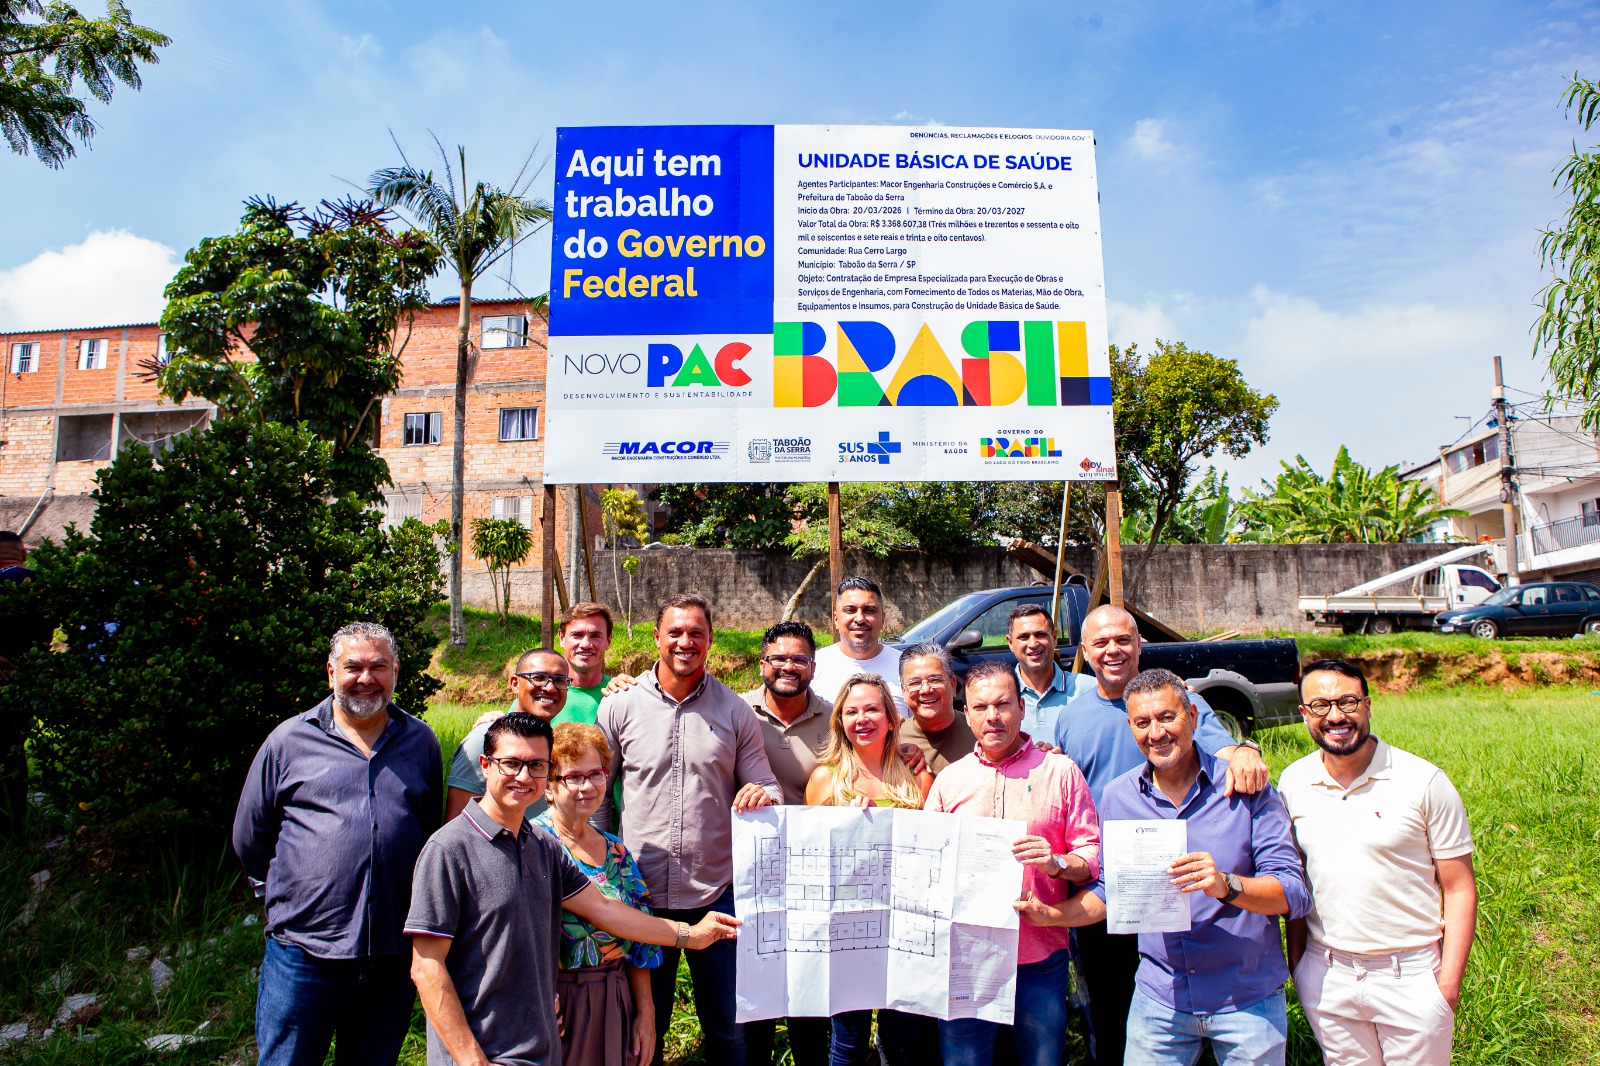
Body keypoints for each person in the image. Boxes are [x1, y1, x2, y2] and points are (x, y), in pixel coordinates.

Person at [407, 712, 740, 1066]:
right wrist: (473, 1062)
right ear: (485, 765)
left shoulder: (540, 846)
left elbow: (606, 910)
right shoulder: (449, 849)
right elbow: (426, 968)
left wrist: (691, 934)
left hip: (540, 1043)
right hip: (482, 1048)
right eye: (511, 764)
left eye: (536, 765)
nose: (524, 776)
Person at [1052, 604, 1272, 1066]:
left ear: (1139, 644)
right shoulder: (1072, 717)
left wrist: (1246, 750)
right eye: (1101, 643)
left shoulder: (1176, 700)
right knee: (1113, 1008)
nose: (1113, 650)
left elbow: (1222, 747)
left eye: (1123, 640)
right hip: (1115, 881)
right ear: (1086, 653)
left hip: (1183, 882)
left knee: (1183, 994)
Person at [233, 622, 442, 1066]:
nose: (366, 678)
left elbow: (424, 829)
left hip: (390, 952)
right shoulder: (288, 741)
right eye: (353, 667)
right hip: (304, 952)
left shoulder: (420, 741)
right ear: (331, 672)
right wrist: (278, 900)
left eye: (378, 667)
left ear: (396, 672)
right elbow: (251, 835)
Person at [1089, 669, 1310, 1066]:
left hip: (1246, 997)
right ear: (1130, 727)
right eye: (1142, 723)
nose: (1156, 733)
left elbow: (1293, 892)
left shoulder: (1245, 787)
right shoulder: (1118, 796)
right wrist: (1050, 911)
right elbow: (1112, 887)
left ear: (1193, 716)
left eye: (1167, 717)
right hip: (1161, 998)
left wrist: (1227, 885)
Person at [598, 592, 782, 1066]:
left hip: (716, 894)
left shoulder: (735, 711)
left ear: (710, 640)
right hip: (639, 896)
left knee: (729, 1030)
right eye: (675, 632)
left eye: (696, 633)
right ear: (657, 637)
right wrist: (597, 875)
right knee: (644, 1029)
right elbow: (596, 796)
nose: (685, 642)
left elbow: (766, 782)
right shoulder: (619, 708)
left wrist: (763, 794)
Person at [1280, 659, 1477, 1066]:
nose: (1335, 716)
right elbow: (1296, 877)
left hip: (1411, 975)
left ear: (1368, 706)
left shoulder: (1423, 781)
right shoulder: (1293, 782)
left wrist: (1448, 985)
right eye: (1320, 705)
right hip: (1327, 973)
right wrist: (1299, 963)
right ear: (1304, 715)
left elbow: (1459, 887)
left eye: (1348, 702)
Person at [926, 662, 1100, 1066]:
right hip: (965, 959)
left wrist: (1056, 863)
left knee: (1043, 1060)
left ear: (1022, 708)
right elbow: (928, 867)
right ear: (965, 713)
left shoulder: (1060, 771)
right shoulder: (949, 782)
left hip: (1040, 954)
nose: (993, 716)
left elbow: (1091, 854)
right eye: (981, 706)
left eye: (1003, 704)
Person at [804, 672, 937, 1066]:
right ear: (840, 723)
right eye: (852, 712)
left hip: (906, 925)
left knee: (904, 1040)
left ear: (891, 718)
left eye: (872, 709)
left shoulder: (917, 776)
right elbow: (809, 860)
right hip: (848, 929)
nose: (862, 719)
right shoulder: (826, 779)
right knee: (848, 1041)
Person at [531, 722, 663, 1066]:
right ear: (548, 786)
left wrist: (646, 1013)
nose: (587, 786)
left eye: (597, 774)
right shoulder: (533, 844)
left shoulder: (617, 850)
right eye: (573, 777)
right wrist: (541, 1000)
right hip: (560, 1004)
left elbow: (641, 937)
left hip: (618, 998)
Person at [740, 620, 835, 1066]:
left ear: (813, 666)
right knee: (755, 991)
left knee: (809, 995)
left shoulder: (836, 718)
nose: (788, 666)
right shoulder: (735, 711)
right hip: (747, 874)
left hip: (814, 876)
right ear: (763, 663)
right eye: (779, 657)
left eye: (799, 659)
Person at [445, 647, 573, 821]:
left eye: (560, 680)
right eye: (538, 678)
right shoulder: (485, 738)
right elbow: (456, 825)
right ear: (514, 683)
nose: (550, 687)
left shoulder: (554, 742)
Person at [810, 576, 907, 714]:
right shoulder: (814, 666)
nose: (860, 619)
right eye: (850, 610)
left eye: (869, 610)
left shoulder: (905, 667)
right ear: (836, 619)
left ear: (883, 619)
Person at [1004, 603, 1095, 741]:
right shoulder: (1000, 693)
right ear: (1010, 643)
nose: (1033, 644)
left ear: (1054, 637)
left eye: (1040, 635)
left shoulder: (1086, 689)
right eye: (1023, 637)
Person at [895, 642, 976, 774]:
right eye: (915, 683)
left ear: (953, 685)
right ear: (903, 691)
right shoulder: (893, 743)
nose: (926, 690)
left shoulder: (978, 733)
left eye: (935, 680)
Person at [560, 601, 630, 724]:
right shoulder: (543, 695)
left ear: (608, 641)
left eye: (595, 636)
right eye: (577, 635)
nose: (585, 644)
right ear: (562, 638)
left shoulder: (620, 695)